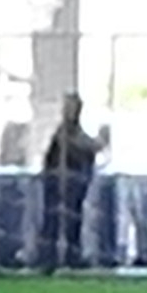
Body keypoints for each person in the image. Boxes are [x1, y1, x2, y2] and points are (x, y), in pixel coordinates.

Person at [36, 93, 106, 272]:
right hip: (57, 186)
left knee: (72, 221)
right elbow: (75, 145)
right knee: (53, 222)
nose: (71, 111)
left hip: (74, 186)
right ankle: (48, 257)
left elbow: (88, 147)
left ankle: (71, 255)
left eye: (74, 108)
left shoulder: (75, 132)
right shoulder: (63, 133)